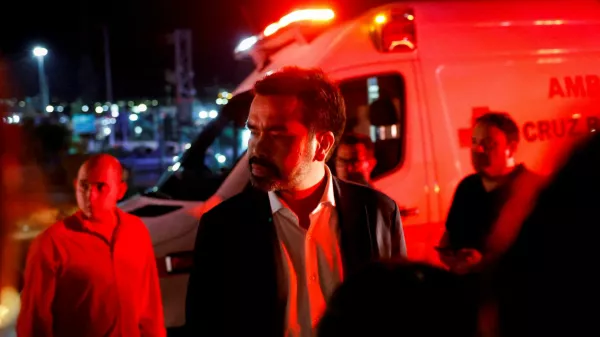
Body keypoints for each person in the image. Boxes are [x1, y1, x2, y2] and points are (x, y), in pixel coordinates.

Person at [185, 67, 407, 337]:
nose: (257, 147)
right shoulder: (223, 227)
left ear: (323, 145)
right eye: (254, 132)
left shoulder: (378, 212)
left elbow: (400, 311)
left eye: (277, 134)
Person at [17, 154, 165, 337]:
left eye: (100, 187)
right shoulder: (52, 242)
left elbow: (150, 307)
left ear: (120, 191)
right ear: (75, 185)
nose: (90, 195)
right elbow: (35, 320)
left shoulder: (136, 232)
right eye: (84, 186)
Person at [437, 112, 540, 275]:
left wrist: (483, 262)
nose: (478, 150)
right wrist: (454, 259)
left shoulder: (533, 189)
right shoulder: (467, 187)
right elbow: (447, 241)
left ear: (511, 148)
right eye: (474, 142)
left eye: (488, 144)